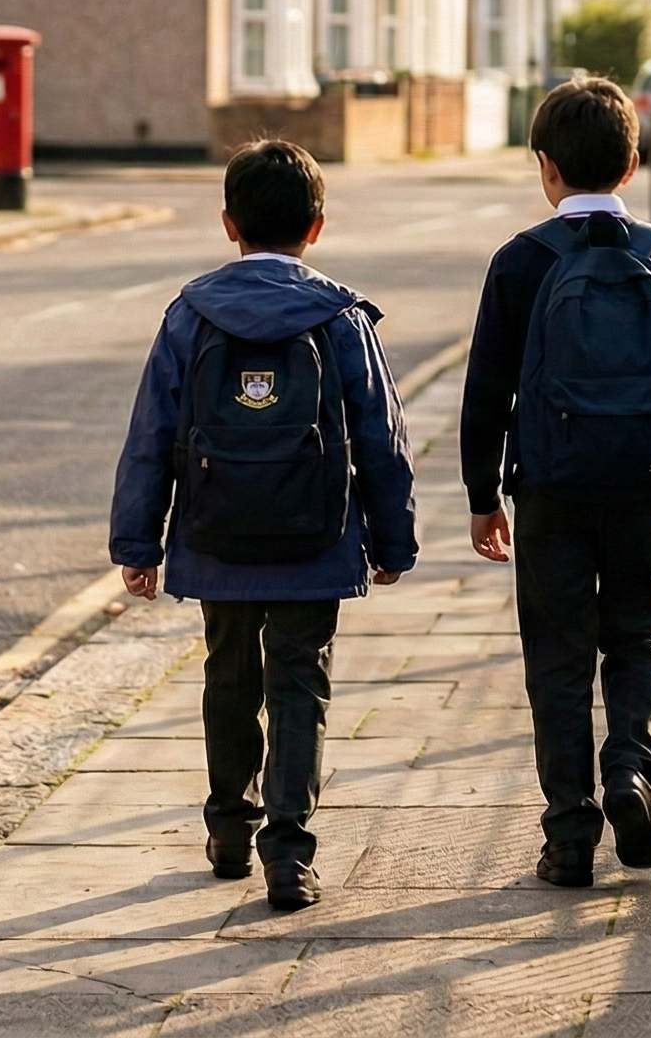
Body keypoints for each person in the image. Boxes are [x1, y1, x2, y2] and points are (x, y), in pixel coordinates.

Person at [110, 139, 420, 913]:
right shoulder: (341, 317)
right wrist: (394, 540)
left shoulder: (190, 314)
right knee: (299, 682)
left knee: (229, 676)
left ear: (227, 224)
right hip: (315, 537)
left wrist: (138, 543)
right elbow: (384, 438)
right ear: (316, 226)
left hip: (217, 535)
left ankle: (226, 828)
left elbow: (150, 434)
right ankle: (289, 853)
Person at [459, 78, 651, 888]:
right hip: (644, 483)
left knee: (557, 652)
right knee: (637, 632)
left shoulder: (520, 261)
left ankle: (569, 835)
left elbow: (486, 391)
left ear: (545, 167)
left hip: (548, 484)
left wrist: (483, 495)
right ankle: (630, 774)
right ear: (633, 162)